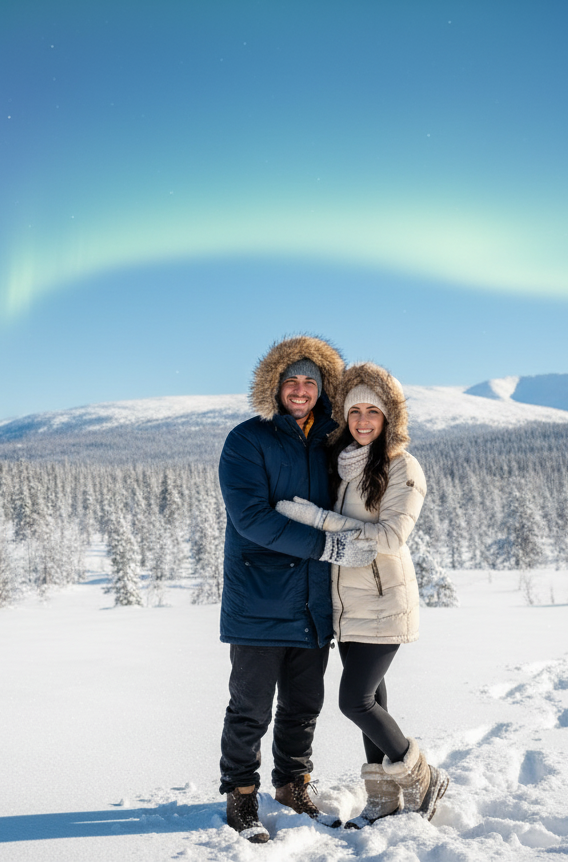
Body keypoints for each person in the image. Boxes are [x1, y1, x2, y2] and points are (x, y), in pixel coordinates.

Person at [217, 335, 378, 843]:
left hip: (314, 600)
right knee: (251, 707)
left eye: (311, 381)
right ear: (276, 387)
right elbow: (251, 519)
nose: (302, 390)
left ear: (323, 387)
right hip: (259, 599)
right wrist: (326, 548)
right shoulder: (247, 440)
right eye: (292, 381)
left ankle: (292, 783)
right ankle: (241, 796)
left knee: (304, 704)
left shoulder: (334, 441)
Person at [277, 362, 449, 826]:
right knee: (375, 700)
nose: (363, 421)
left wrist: (318, 519)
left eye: (373, 411)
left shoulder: (402, 465)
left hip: (383, 601)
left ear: (389, 416)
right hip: (347, 606)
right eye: (355, 412)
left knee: (354, 701)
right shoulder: (347, 464)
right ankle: (383, 797)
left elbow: (391, 536)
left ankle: (422, 775)